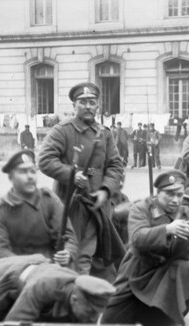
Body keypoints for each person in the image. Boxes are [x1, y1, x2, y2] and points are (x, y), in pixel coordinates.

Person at [38, 81, 126, 280]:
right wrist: (71, 174)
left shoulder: (104, 133)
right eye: (83, 102)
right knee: (74, 254)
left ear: (97, 106)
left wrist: (105, 190)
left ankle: (95, 296)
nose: (88, 106)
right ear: (74, 105)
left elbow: (115, 166)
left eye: (92, 102)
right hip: (72, 205)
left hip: (98, 205)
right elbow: (44, 160)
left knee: (99, 254)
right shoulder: (63, 130)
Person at [101, 170, 189, 326]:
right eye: (169, 194)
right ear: (158, 193)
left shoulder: (185, 213)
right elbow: (137, 239)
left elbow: (185, 255)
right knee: (109, 321)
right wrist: (168, 229)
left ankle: (168, 317)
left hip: (165, 269)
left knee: (182, 267)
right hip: (138, 270)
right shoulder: (142, 208)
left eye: (179, 194)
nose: (175, 199)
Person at [0, 149, 78, 267]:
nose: (30, 177)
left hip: (49, 268)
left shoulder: (49, 200)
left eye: (33, 171)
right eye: (23, 172)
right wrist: (28, 264)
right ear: (11, 177)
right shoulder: (1, 209)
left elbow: (69, 236)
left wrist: (68, 253)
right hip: (13, 270)